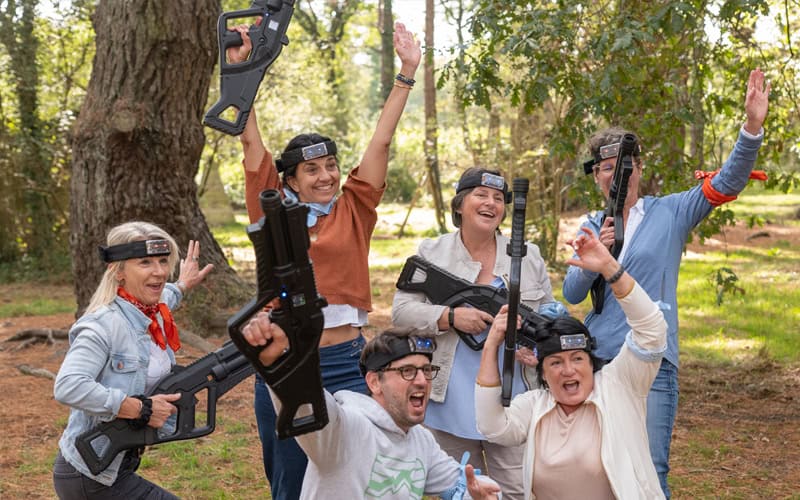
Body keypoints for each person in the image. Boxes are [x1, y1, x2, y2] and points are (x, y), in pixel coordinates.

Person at [227, 21, 422, 499]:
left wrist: (407, 72)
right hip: (287, 359)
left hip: (347, 360)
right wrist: (243, 70)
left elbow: (380, 142)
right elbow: (250, 143)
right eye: (311, 169)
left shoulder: (354, 208)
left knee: (356, 475)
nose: (326, 176)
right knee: (290, 478)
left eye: (330, 166)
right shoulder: (272, 208)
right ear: (290, 180)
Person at [561, 67, 770, 498]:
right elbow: (572, 293)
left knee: (651, 470)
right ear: (596, 176)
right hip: (601, 360)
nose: (616, 174)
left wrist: (751, 128)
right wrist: (595, 258)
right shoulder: (591, 224)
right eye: (605, 167)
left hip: (654, 361)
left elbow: (729, 181)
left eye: (624, 164)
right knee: (603, 469)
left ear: (639, 168)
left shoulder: (672, 212)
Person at [392, 167, 562, 499]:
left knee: (518, 491)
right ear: (459, 205)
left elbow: (548, 316)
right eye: (480, 195)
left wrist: (537, 349)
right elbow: (401, 313)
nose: (490, 203)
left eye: (498, 198)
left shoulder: (528, 256)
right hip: (449, 401)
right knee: (459, 491)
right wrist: (451, 316)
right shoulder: (432, 252)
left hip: (512, 400)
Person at [476, 227, 668, 499]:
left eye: (577, 358)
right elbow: (492, 426)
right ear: (542, 371)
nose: (568, 370)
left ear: (591, 362)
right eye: (555, 363)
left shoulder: (619, 386)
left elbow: (652, 331)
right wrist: (491, 345)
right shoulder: (535, 405)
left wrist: (610, 268)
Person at [241, 319, 502, 500]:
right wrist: (278, 359)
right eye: (407, 371)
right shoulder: (345, 430)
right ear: (374, 382)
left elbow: (466, 484)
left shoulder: (421, 441)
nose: (422, 380)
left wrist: (479, 494)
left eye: (426, 370)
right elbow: (307, 403)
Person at [52, 221, 214, 499]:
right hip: (89, 476)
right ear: (118, 271)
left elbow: (167, 295)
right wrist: (141, 408)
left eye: (163, 261)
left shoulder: (150, 310)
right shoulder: (103, 325)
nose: (159, 271)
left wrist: (183, 284)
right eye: (145, 262)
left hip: (114, 468)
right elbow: (68, 386)